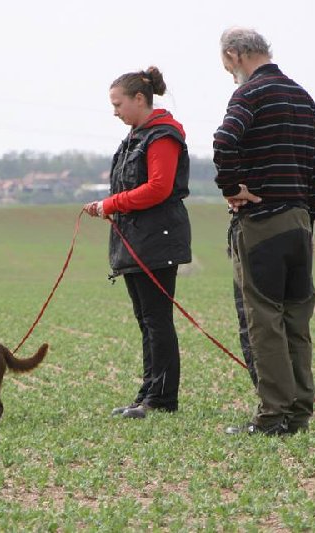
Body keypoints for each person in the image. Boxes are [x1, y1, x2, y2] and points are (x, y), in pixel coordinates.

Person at [213, 28, 315, 436]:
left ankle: (273, 415)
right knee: (297, 318)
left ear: (236, 54)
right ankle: (299, 412)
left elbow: (223, 140)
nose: (229, 73)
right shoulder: (302, 96)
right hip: (299, 222)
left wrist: (231, 188)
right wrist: (311, 219)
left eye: (227, 65)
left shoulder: (249, 95)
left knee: (264, 320)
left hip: (262, 223)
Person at [83, 66, 191, 419]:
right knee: (146, 319)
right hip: (136, 239)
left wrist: (110, 204)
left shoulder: (161, 136)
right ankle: (147, 394)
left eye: (118, 104)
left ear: (139, 99)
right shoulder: (136, 137)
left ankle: (162, 399)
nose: (114, 111)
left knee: (157, 320)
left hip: (156, 240)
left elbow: (159, 188)